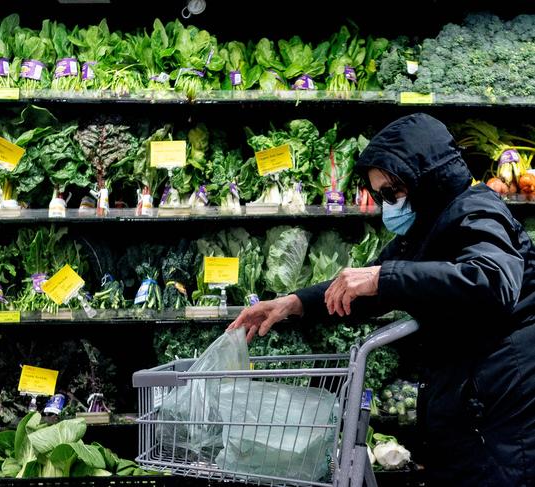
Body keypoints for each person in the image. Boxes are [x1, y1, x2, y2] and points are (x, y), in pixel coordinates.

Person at [228, 113, 535, 486]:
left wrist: (383, 277)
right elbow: (366, 290)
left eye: (392, 192)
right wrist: (293, 303)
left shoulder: (477, 211)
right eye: (380, 196)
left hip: (500, 409)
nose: (387, 204)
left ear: (428, 179)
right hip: (468, 398)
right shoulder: (428, 226)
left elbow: (492, 281)